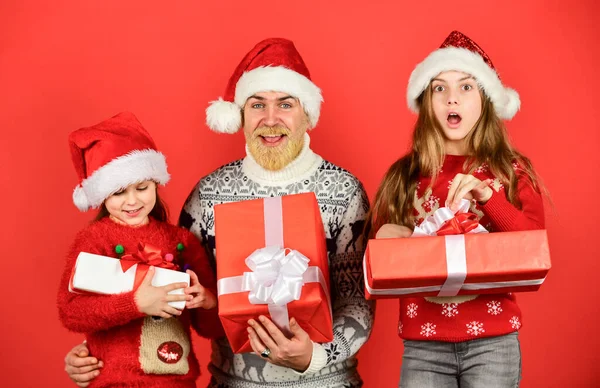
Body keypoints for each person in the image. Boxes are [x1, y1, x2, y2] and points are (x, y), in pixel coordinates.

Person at [64, 38, 374, 387]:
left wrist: (314, 357)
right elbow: (159, 290)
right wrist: (97, 352)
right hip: (231, 382)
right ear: (240, 113)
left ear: (307, 113)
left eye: (285, 104)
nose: (270, 119)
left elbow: (358, 305)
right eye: (257, 105)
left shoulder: (345, 191)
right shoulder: (208, 194)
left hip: (326, 383)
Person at [366, 31, 545, 387]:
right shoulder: (405, 176)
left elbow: (535, 251)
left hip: (493, 341)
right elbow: (376, 272)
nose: (452, 99)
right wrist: (385, 238)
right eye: (439, 88)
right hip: (423, 345)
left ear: (486, 99)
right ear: (426, 101)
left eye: (466, 87)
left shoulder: (512, 171)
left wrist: (488, 198)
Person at [57, 112, 222, 387]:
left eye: (142, 188)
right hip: (113, 381)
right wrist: (134, 303)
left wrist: (206, 301)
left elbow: (212, 328)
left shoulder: (181, 241)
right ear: (102, 195)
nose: (132, 201)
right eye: (118, 192)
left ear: (155, 183)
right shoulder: (94, 241)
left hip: (176, 382)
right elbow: (70, 312)